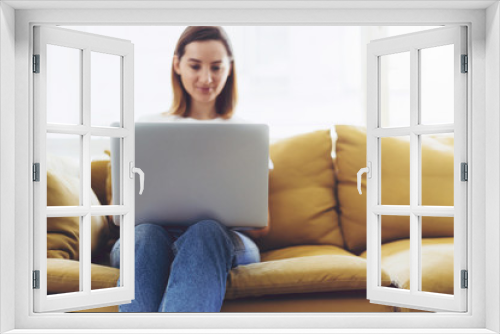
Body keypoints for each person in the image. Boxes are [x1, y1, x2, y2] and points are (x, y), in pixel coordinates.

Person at [110, 26, 270, 312]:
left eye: (217, 67)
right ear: (177, 64)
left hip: (220, 239)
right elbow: (116, 214)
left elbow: (263, 224)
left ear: (229, 68)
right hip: (149, 236)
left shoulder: (246, 134)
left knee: (205, 231)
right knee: (146, 234)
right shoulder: (147, 128)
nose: (206, 78)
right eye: (195, 66)